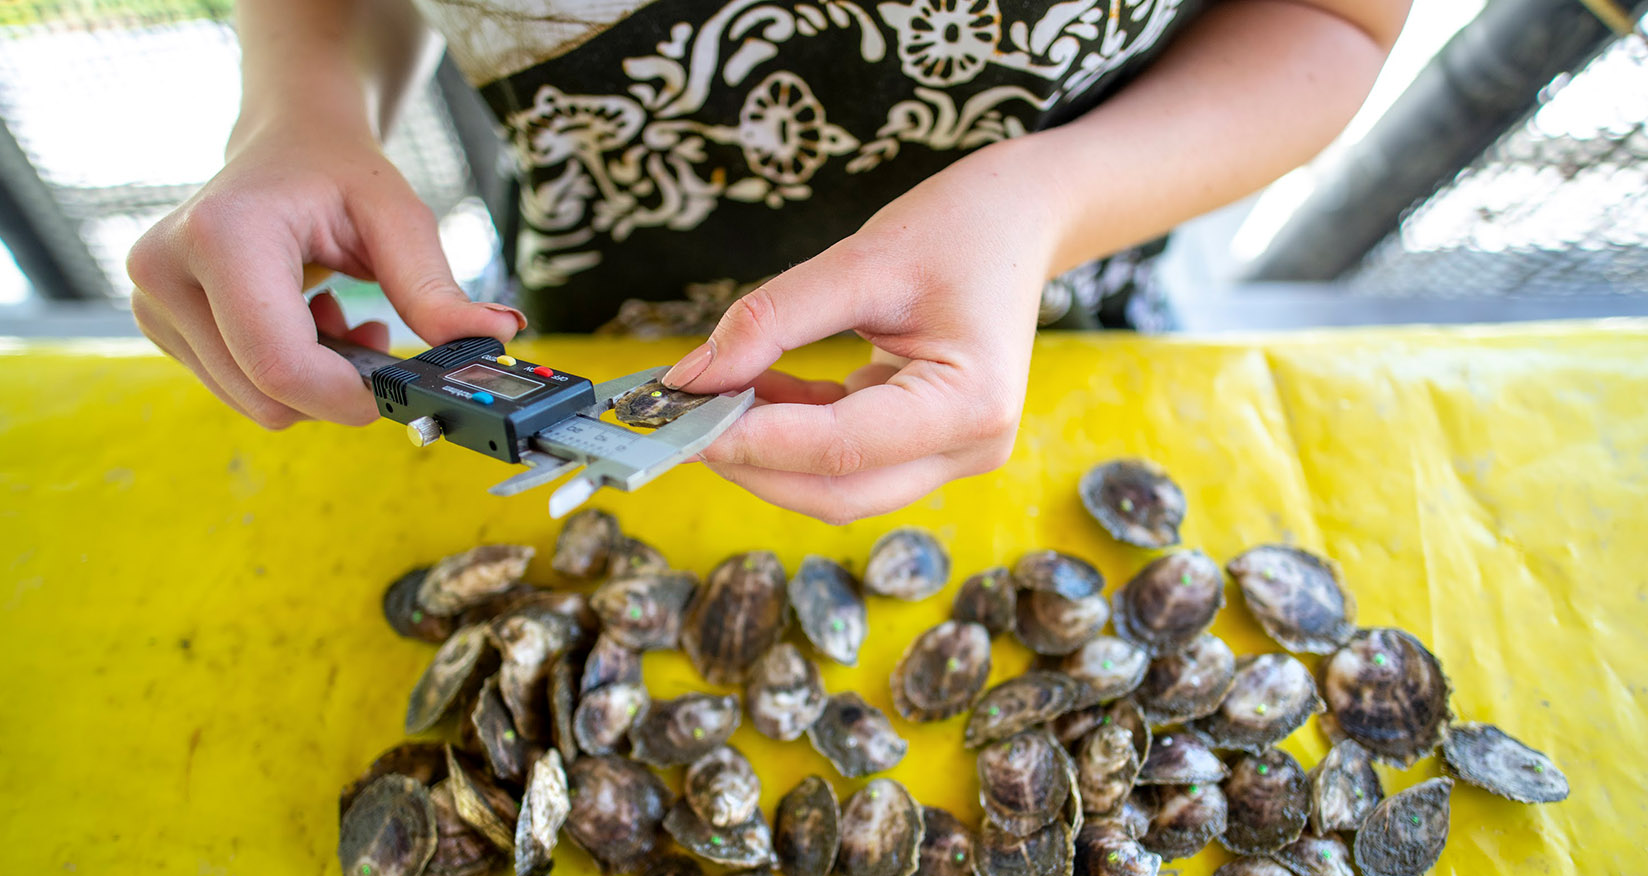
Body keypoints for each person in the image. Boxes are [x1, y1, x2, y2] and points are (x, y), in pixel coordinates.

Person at [126, 0, 1409, 524]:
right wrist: (294, 105)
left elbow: (1335, 17)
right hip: (591, 313)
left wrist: (1049, 200)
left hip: (1054, 303)